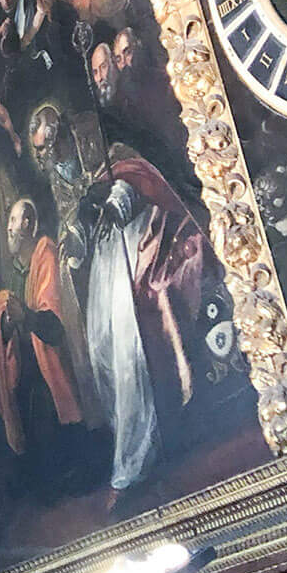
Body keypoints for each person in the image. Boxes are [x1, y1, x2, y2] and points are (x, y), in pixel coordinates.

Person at [76, 152, 208, 505]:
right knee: (106, 355)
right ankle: (133, 456)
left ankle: (131, 465)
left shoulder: (130, 170)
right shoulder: (106, 179)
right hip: (116, 263)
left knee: (130, 363)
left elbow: (132, 200)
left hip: (139, 262)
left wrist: (104, 206)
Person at [0, 200, 86, 462]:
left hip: (53, 373)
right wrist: (6, 322)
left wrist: (25, 316)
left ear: (28, 224)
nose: (8, 228)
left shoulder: (46, 257)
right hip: (26, 372)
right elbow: (8, 329)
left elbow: (55, 328)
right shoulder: (15, 273)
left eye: (13, 220)